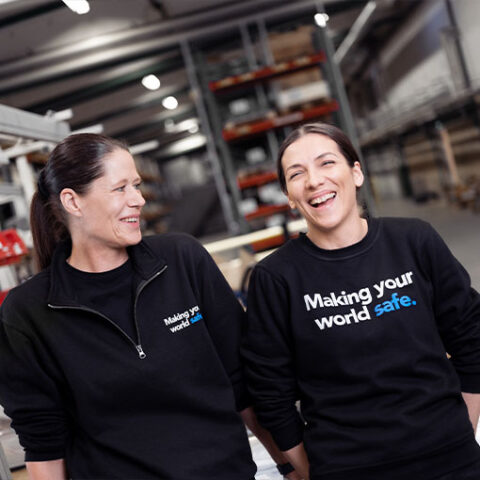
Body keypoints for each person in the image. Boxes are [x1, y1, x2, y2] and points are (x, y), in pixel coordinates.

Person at [0, 133, 274, 480]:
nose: (139, 200)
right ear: (73, 202)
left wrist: (289, 464)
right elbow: (44, 440)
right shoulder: (28, 312)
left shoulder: (182, 261)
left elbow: (243, 384)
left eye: (137, 185)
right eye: (121, 189)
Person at [242, 122, 480, 480]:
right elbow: (269, 392)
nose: (314, 180)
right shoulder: (275, 278)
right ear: (289, 196)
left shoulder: (414, 241)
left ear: (356, 173)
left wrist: (461, 426)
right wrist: (310, 471)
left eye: (326, 163)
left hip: (453, 459)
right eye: (296, 174)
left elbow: (470, 336)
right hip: (348, 467)